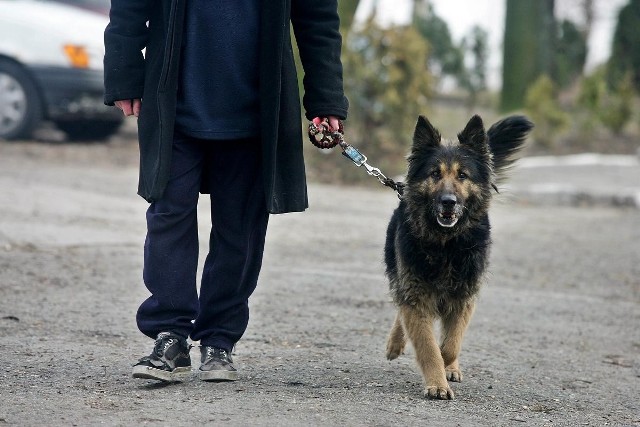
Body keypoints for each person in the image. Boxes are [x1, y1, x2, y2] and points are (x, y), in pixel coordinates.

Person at [103, 0, 348, 382]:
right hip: (175, 100)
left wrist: (326, 98)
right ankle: (170, 334)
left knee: (241, 229)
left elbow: (317, 20)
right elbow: (129, 8)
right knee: (169, 214)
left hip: (255, 110)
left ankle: (219, 339)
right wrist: (124, 74)